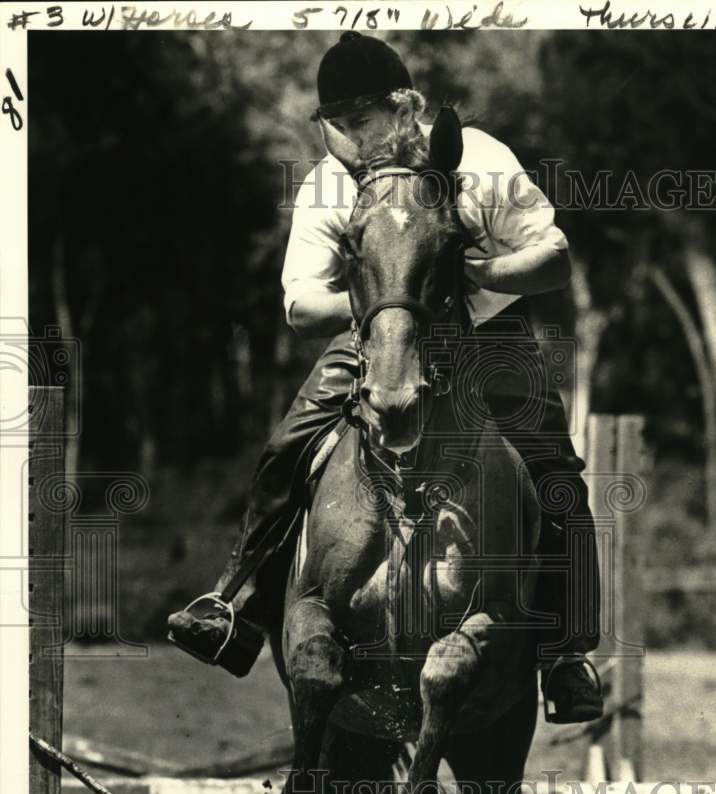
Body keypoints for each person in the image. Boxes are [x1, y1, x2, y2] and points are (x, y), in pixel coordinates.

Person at [168, 31, 603, 724]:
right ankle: (234, 603)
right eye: (337, 124)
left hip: (488, 337)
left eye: (361, 120)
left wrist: (471, 275)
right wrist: (386, 298)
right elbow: (299, 303)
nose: (349, 137)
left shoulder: (482, 160)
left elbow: (552, 259)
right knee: (288, 446)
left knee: (554, 470)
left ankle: (566, 652)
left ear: (406, 108)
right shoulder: (327, 184)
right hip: (380, 337)